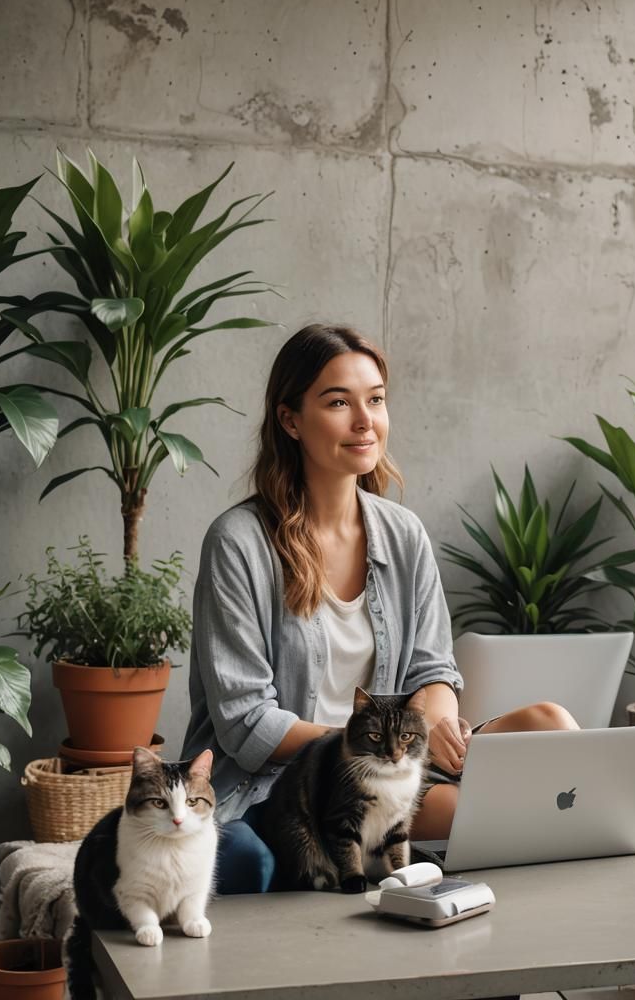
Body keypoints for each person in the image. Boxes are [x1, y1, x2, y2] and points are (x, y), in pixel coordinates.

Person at [181, 324, 579, 893]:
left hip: (395, 754)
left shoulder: (402, 533)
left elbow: (431, 670)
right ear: (290, 420)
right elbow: (248, 723)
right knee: (495, 811)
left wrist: (438, 727)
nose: (365, 421)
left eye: (376, 400)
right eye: (339, 402)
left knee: (552, 724)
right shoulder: (239, 543)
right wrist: (376, 750)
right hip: (298, 779)